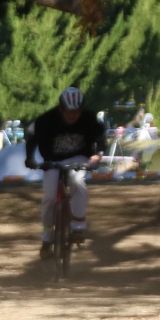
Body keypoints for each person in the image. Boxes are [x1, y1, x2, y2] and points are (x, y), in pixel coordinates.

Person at [25, 87, 104, 259]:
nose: (72, 116)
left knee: (77, 181)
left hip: (79, 157)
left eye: (76, 112)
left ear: (81, 110)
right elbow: (32, 138)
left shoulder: (89, 119)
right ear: (61, 108)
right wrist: (30, 158)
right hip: (52, 160)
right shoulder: (47, 120)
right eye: (68, 112)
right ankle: (46, 238)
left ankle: (78, 225)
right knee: (49, 197)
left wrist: (97, 155)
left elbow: (100, 138)